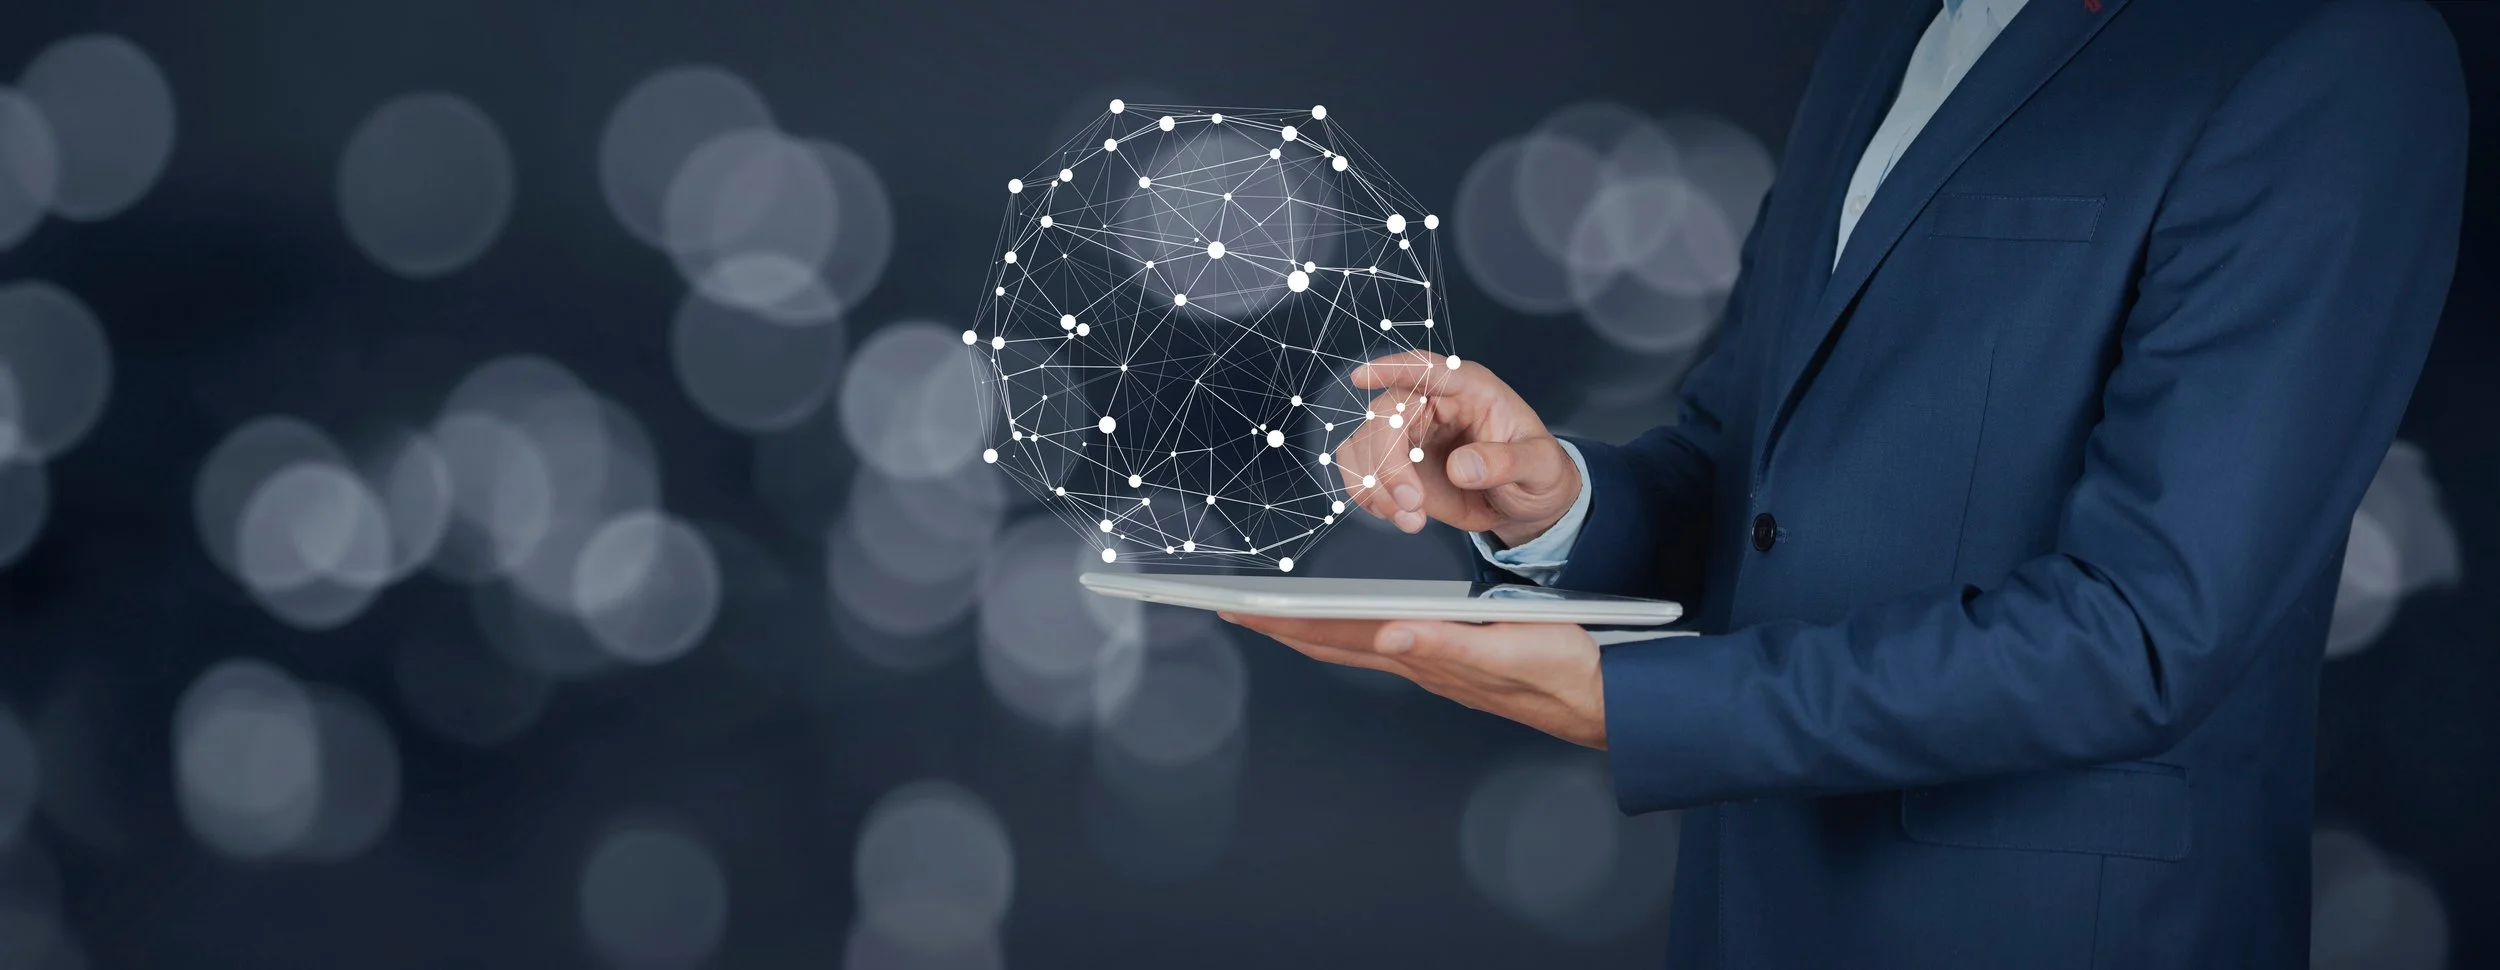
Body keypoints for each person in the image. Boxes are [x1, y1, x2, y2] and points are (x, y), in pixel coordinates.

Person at [1221, 0, 2468, 964]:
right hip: (1756, 905)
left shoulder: (2329, 51)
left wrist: (1636, 701)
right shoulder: (1893, 30)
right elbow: (1750, 476)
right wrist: (1554, 506)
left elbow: (2144, 633)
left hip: (2053, 931)